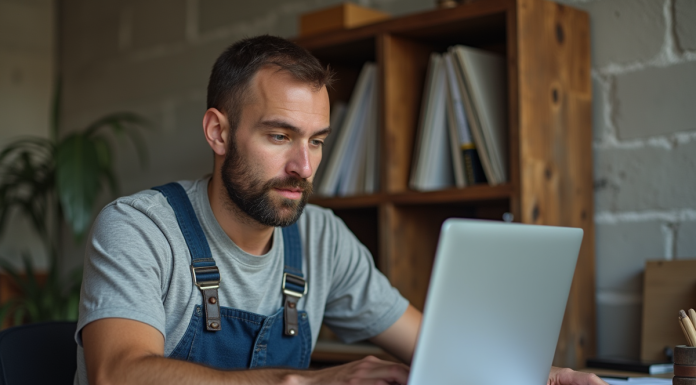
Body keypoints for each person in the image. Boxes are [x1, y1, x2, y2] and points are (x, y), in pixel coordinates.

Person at [76, 35, 607, 385]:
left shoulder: (321, 238)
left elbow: (437, 349)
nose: (303, 167)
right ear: (218, 132)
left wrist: (543, 377)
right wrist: (306, 383)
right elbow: (116, 371)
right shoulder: (138, 227)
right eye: (279, 136)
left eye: (318, 141)